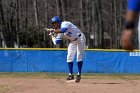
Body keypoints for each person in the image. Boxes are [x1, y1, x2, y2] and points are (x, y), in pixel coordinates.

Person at [49, 16, 86, 82]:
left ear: (59, 21)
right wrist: (52, 36)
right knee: (69, 57)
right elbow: (56, 42)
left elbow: (64, 30)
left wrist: (54, 31)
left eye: (55, 22)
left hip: (80, 38)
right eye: (53, 23)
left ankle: (79, 74)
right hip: (73, 41)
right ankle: (70, 75)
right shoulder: (59, 32)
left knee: (79, 56)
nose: (54, 24)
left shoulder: (65, 23)